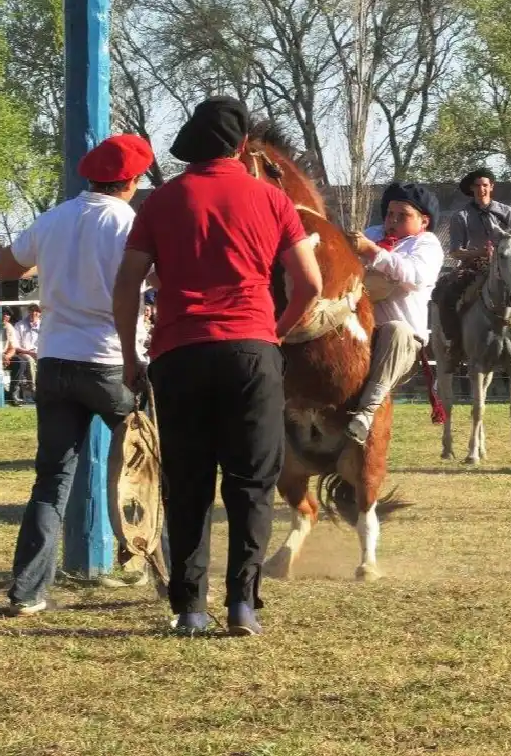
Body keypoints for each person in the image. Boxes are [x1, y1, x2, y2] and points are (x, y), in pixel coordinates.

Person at [114, 96, 321, 637]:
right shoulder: (271, 199)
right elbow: (311, 284)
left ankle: (189, 607)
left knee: (187, 482)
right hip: (251, 349)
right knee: (251, 482)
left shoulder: (159, 204)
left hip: (179, 353)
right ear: (240, 147)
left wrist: (129, 354)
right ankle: (242, 605)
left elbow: (127, 285)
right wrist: (274, 331)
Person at [0, 134, 153, 616]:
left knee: (51, 481)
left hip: (56, 360)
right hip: (108, 361)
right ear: (132, 181)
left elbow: (5, 267)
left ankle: (27, 591)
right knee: (146, 469)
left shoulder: (54, 218)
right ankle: (166, 577)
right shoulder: (129, 222)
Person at [345, 181, 445, 445]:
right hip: (358, 332)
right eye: (390, 214)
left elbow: (415, 276)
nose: (393, 221)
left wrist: (371, 252)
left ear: (424, 221)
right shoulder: (372, 233)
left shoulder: (428, 244)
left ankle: (366, 413)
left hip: (402, 344)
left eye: (403, 216)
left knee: (397, 329)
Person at [439, 167, 511, 361]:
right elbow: (455, 251)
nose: (481, 189)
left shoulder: (506, 212)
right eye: (477, 186)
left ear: (492, 187)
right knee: (446, 295)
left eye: (485, 185)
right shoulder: (461, 216)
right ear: (472, 189)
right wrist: (480, 252)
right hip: (476, 265)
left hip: (508, 266)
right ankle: (455, 345)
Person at [11, 304, 41, 404]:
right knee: (29, 360)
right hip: (23, 352)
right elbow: (15, 345)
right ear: (28, 311)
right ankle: (34, 390)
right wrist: (29, 352)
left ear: (40, 313)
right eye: (32, 310)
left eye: (36, 311)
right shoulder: (20, 325)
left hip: (40, 352)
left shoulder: (44, 325)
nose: (34, 313)